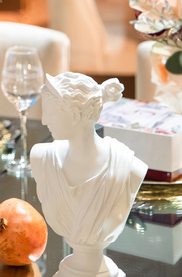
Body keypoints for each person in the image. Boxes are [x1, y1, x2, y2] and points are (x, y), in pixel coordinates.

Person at [31, 72, 147, 277]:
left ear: (75, 115)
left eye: (49, 112)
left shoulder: (128, 168)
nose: (43, 120)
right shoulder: (42, 159)